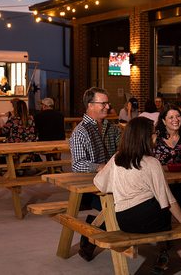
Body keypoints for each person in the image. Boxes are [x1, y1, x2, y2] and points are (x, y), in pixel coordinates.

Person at [94, 117, 181, 275]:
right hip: (147, 219)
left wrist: (122, 185)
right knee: (172, 212)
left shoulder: (117, 158)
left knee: (166, 215)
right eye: (153, 134)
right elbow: (167, 200)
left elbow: (100, 184)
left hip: (124, 220)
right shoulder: (151, 163)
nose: (156, 137)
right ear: (143, 138)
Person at [69, 87, 120, 261]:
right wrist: (100, 167)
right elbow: (77, 165)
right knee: (117, 209)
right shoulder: (80, 132)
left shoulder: (111, 128)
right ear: (90, 105)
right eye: (103, 103)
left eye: (108, 103)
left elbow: (122, 149)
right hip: (92, 185)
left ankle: (93, 228)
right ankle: (91, 233)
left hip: (114, 180)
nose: (108, 106)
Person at [154, 104, 181, 210]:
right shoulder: (155, 139)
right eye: (171, 117)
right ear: (164, 121)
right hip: (160, 186)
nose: (176, 120)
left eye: (178, 116)